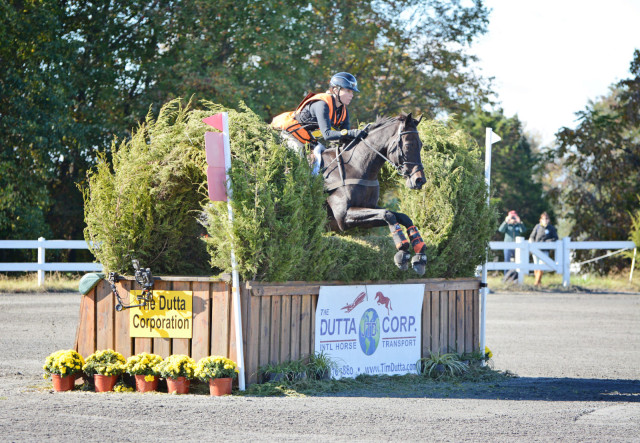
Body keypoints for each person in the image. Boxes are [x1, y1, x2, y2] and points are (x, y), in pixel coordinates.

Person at [271, 72, 366, 174]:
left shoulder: (343, 111)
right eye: (348, 91)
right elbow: (327, 135)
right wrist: (351, 133)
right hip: (288, 134)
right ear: (335, 90)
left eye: (352, 92)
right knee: (296, 164)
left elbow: (345, 137)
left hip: (308, 140)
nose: (351, 95)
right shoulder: (322, 104)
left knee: (324, 162)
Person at [529, 211, 559, 286]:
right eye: (544, 219)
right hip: (536, 250)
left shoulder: (551, 228)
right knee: (536, 266)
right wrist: (533, 245)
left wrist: (547, 242)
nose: (545, 220)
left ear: (549, 220)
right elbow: (532, 236)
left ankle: (536, 282)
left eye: (547, 219)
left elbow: (555, 238)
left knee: (542, 266)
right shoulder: (537, 227)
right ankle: (538, 282)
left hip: (545, 250)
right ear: (541, 220)